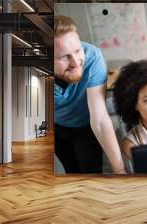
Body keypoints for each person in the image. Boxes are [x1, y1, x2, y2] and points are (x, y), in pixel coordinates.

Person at [54, 15, 125, 174]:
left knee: (91, 171)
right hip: (56, 127)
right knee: (71, 171)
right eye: (65, 56)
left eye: (78, 50)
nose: (76, 61)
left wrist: (120, 170)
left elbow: (99, 119)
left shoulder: (92, 58)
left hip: (86, 124)